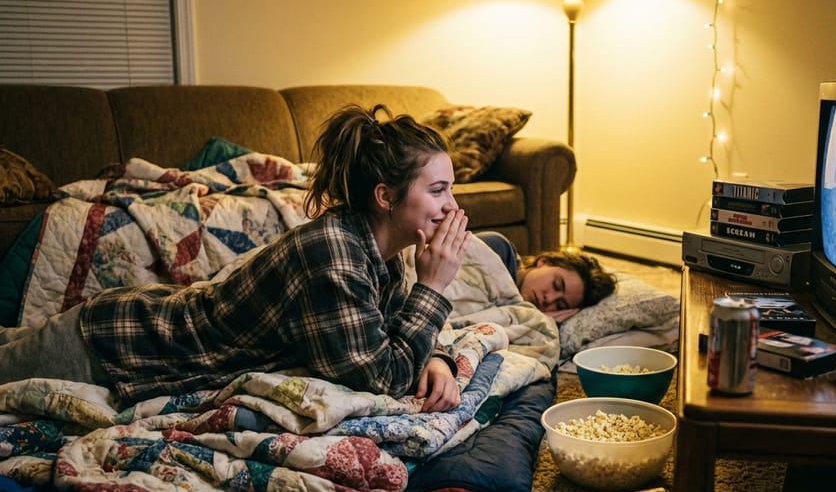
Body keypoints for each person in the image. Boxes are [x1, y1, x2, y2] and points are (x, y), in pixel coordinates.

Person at [0, 105, 471, 413]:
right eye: (437, 190)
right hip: (114, 345)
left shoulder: (383, 254)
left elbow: (390, 337)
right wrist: (432, 289)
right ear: (385, 196)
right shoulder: (334, 255)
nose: (452, 205)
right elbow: (381, 377)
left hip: (133, 330)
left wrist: (440, 359)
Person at [476, 231, 616, 322]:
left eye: (560, 305)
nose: (549, 299)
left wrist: (538, 321)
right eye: (556, 285)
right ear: (544, 262)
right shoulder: (499, 250)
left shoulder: (531, 321)